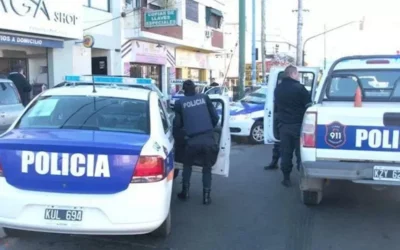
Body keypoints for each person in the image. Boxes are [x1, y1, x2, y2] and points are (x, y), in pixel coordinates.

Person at [173, 79, 219, 205]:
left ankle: (185, 192)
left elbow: (177, 125)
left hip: (192, 140)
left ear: (183, 91)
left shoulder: (179, 103)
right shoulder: (205, 98)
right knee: (207, 168)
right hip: (208, 138)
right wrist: (209, 128)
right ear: (195, 89)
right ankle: (206, 197)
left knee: (187, 165)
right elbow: (215, 118)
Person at [274, 65, 311, 187]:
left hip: (284, 126)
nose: (299, 76)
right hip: (298, 126)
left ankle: (286, 178)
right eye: (298, 74)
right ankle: (303, 177)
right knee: (300, 154)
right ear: (293, 74)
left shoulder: (278, 89)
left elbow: (276, 107)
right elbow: (308, 105)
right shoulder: (300, 88)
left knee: (286, 153)